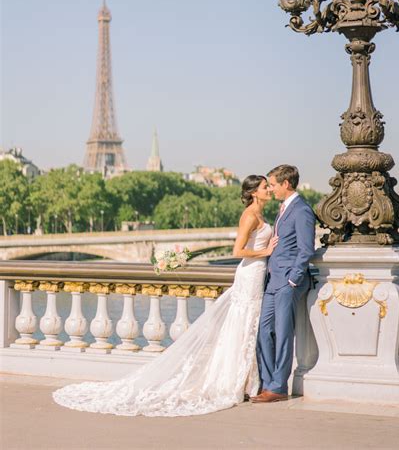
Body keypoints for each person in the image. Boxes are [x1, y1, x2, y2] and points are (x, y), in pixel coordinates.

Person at [52, 175, 278, 417]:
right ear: (254, 192)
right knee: (243, 326)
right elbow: (237, 250)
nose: (269, 190)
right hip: (249, 274)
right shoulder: (250, 215)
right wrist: (266, 251)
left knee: (247, 327)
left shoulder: (260, 214)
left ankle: (242, 380)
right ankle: (236, 382)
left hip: (256, 275)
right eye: (265, 187)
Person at [251, 164, 316, 403]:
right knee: (264, 331)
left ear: (286, 184)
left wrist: (292, 279)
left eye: (274, 185)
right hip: (273, 281)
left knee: (283, 333)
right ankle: (268, 383)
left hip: (287, 282)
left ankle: (278, 387)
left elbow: (306, 249)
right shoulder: (284, 209)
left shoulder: (301, 210)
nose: (271, 188)